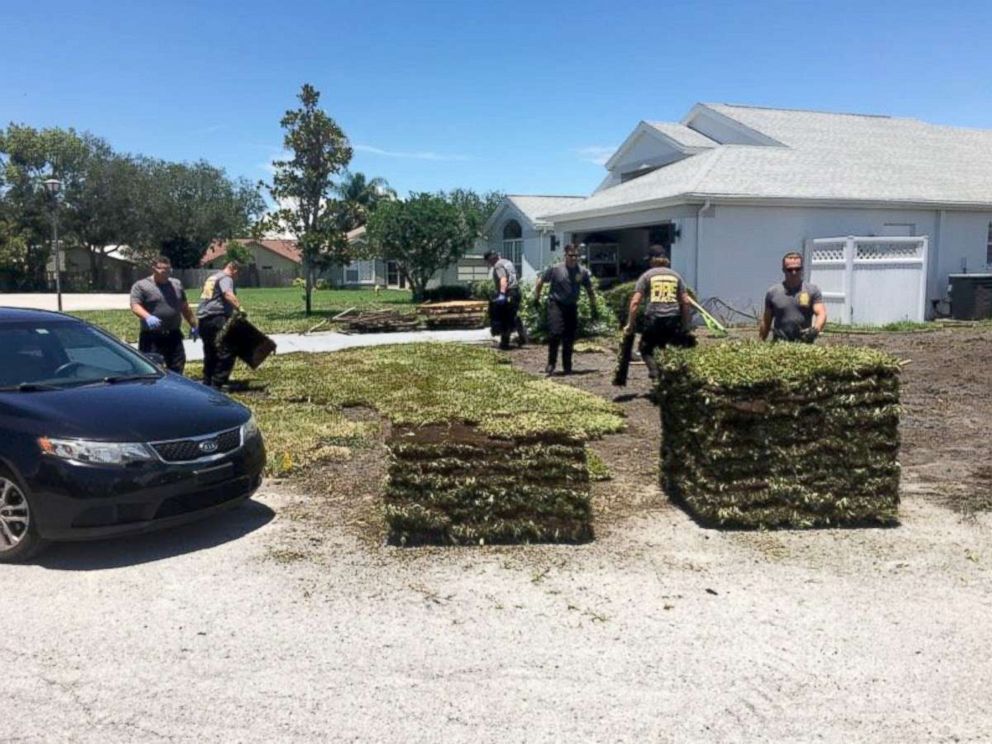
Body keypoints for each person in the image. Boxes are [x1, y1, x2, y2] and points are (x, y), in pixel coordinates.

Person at [624, 245, 694, 382]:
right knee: (666, 348)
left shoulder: (647, 276)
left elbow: (635, 302)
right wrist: (686, 324)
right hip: (673, 319)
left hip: (654, 318)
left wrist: (630, 324)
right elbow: (685, 302)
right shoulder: (675, 276)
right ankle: (670, 378)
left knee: (645, 349)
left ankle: (655, 373)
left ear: (652, 260)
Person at [534, 243, 598, 375]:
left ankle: (567, 366)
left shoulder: (582, 272)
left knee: (569, 337)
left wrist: (593, 306)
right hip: (556, 304)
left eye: (576, 256)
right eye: (571, 255)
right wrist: (537, 298)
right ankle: (551, 363)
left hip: (571, 306)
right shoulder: (556, 269)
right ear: (565, 255)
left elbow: (589, 289)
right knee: (555, 333)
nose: (574, 258)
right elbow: (540, 281)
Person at [129, 256, 198, 374]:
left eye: (168, 269)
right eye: (162, 269)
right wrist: (148, 317)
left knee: (178, 365)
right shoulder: (141, 285)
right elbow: (135, 306)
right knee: (151, 369)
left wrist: (194, 325)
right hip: (151, 336)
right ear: (154, 269)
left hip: (173, 334)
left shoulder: (176, 284)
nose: (166, 272)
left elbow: (184, 307)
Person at [759, 251, 827, 343]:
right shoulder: (773, 292)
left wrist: (815, 330)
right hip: (779, 344)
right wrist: (760, 341)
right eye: (789, 270)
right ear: (783, 269)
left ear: (802, 269)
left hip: (804, 345)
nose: (794, 272)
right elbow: (766, 321)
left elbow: (821, 313)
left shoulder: (812, 290)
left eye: (797, 269)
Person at [196, 260, 243, 389]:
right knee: (228, 349)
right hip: (218, 317)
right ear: (234, 270)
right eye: (237, 274)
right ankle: (218, 382)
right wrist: (240, 308)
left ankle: (208, 379)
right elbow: (227, 294)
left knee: (210, 350)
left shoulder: (213, 277)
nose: (236, 277)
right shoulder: (226, 278)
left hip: (204, 318)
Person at [483, 250, 525, 350]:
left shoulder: (498, 265)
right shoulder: (508, 262)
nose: (490, 264)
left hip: (508, 292)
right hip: (516, 291)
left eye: (489, 261)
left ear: (491, 258)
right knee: (513, 315)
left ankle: (504, 343)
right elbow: (515, 277)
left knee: (504, 318)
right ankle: (522, 337)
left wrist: (502, 294)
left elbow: (503, 279)